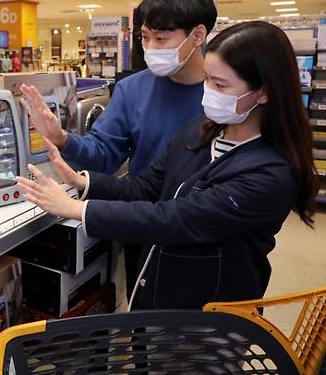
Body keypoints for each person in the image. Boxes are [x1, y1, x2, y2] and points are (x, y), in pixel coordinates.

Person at [16, 21, 318, 310]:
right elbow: (146, 187)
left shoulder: (271, 172)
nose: (208, 91)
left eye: (221, 85)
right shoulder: (202, 129)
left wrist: (77, 209)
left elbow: (176, 219)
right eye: (208, 79)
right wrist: (85, 182)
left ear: (264, 92)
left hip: (210, 315)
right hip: (157, 288)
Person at [20, 0, 218, 301]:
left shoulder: (225, 93)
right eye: (145, 37)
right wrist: (62, 137)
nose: (151, 47)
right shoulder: (132, 89)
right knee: (141, 315)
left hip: (204, 234)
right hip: (139, 224)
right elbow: (104, 154)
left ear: (197, 35)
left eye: (162, 39)